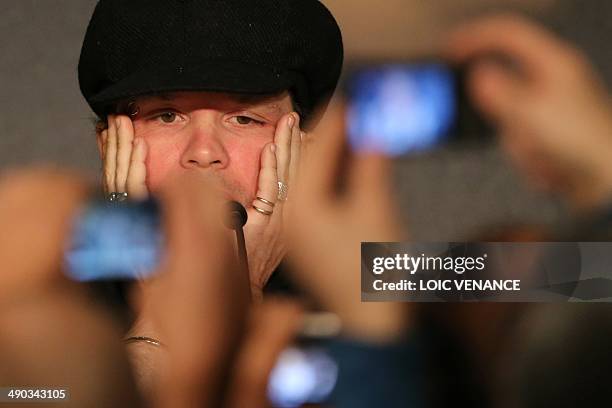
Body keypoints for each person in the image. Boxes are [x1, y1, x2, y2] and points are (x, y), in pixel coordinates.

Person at [78, 0, 344, 300]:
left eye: (244, 119)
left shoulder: (388, 277)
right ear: (109, 145)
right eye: (166, 116)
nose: (204, 153)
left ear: (303, 150)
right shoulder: (44, 286)